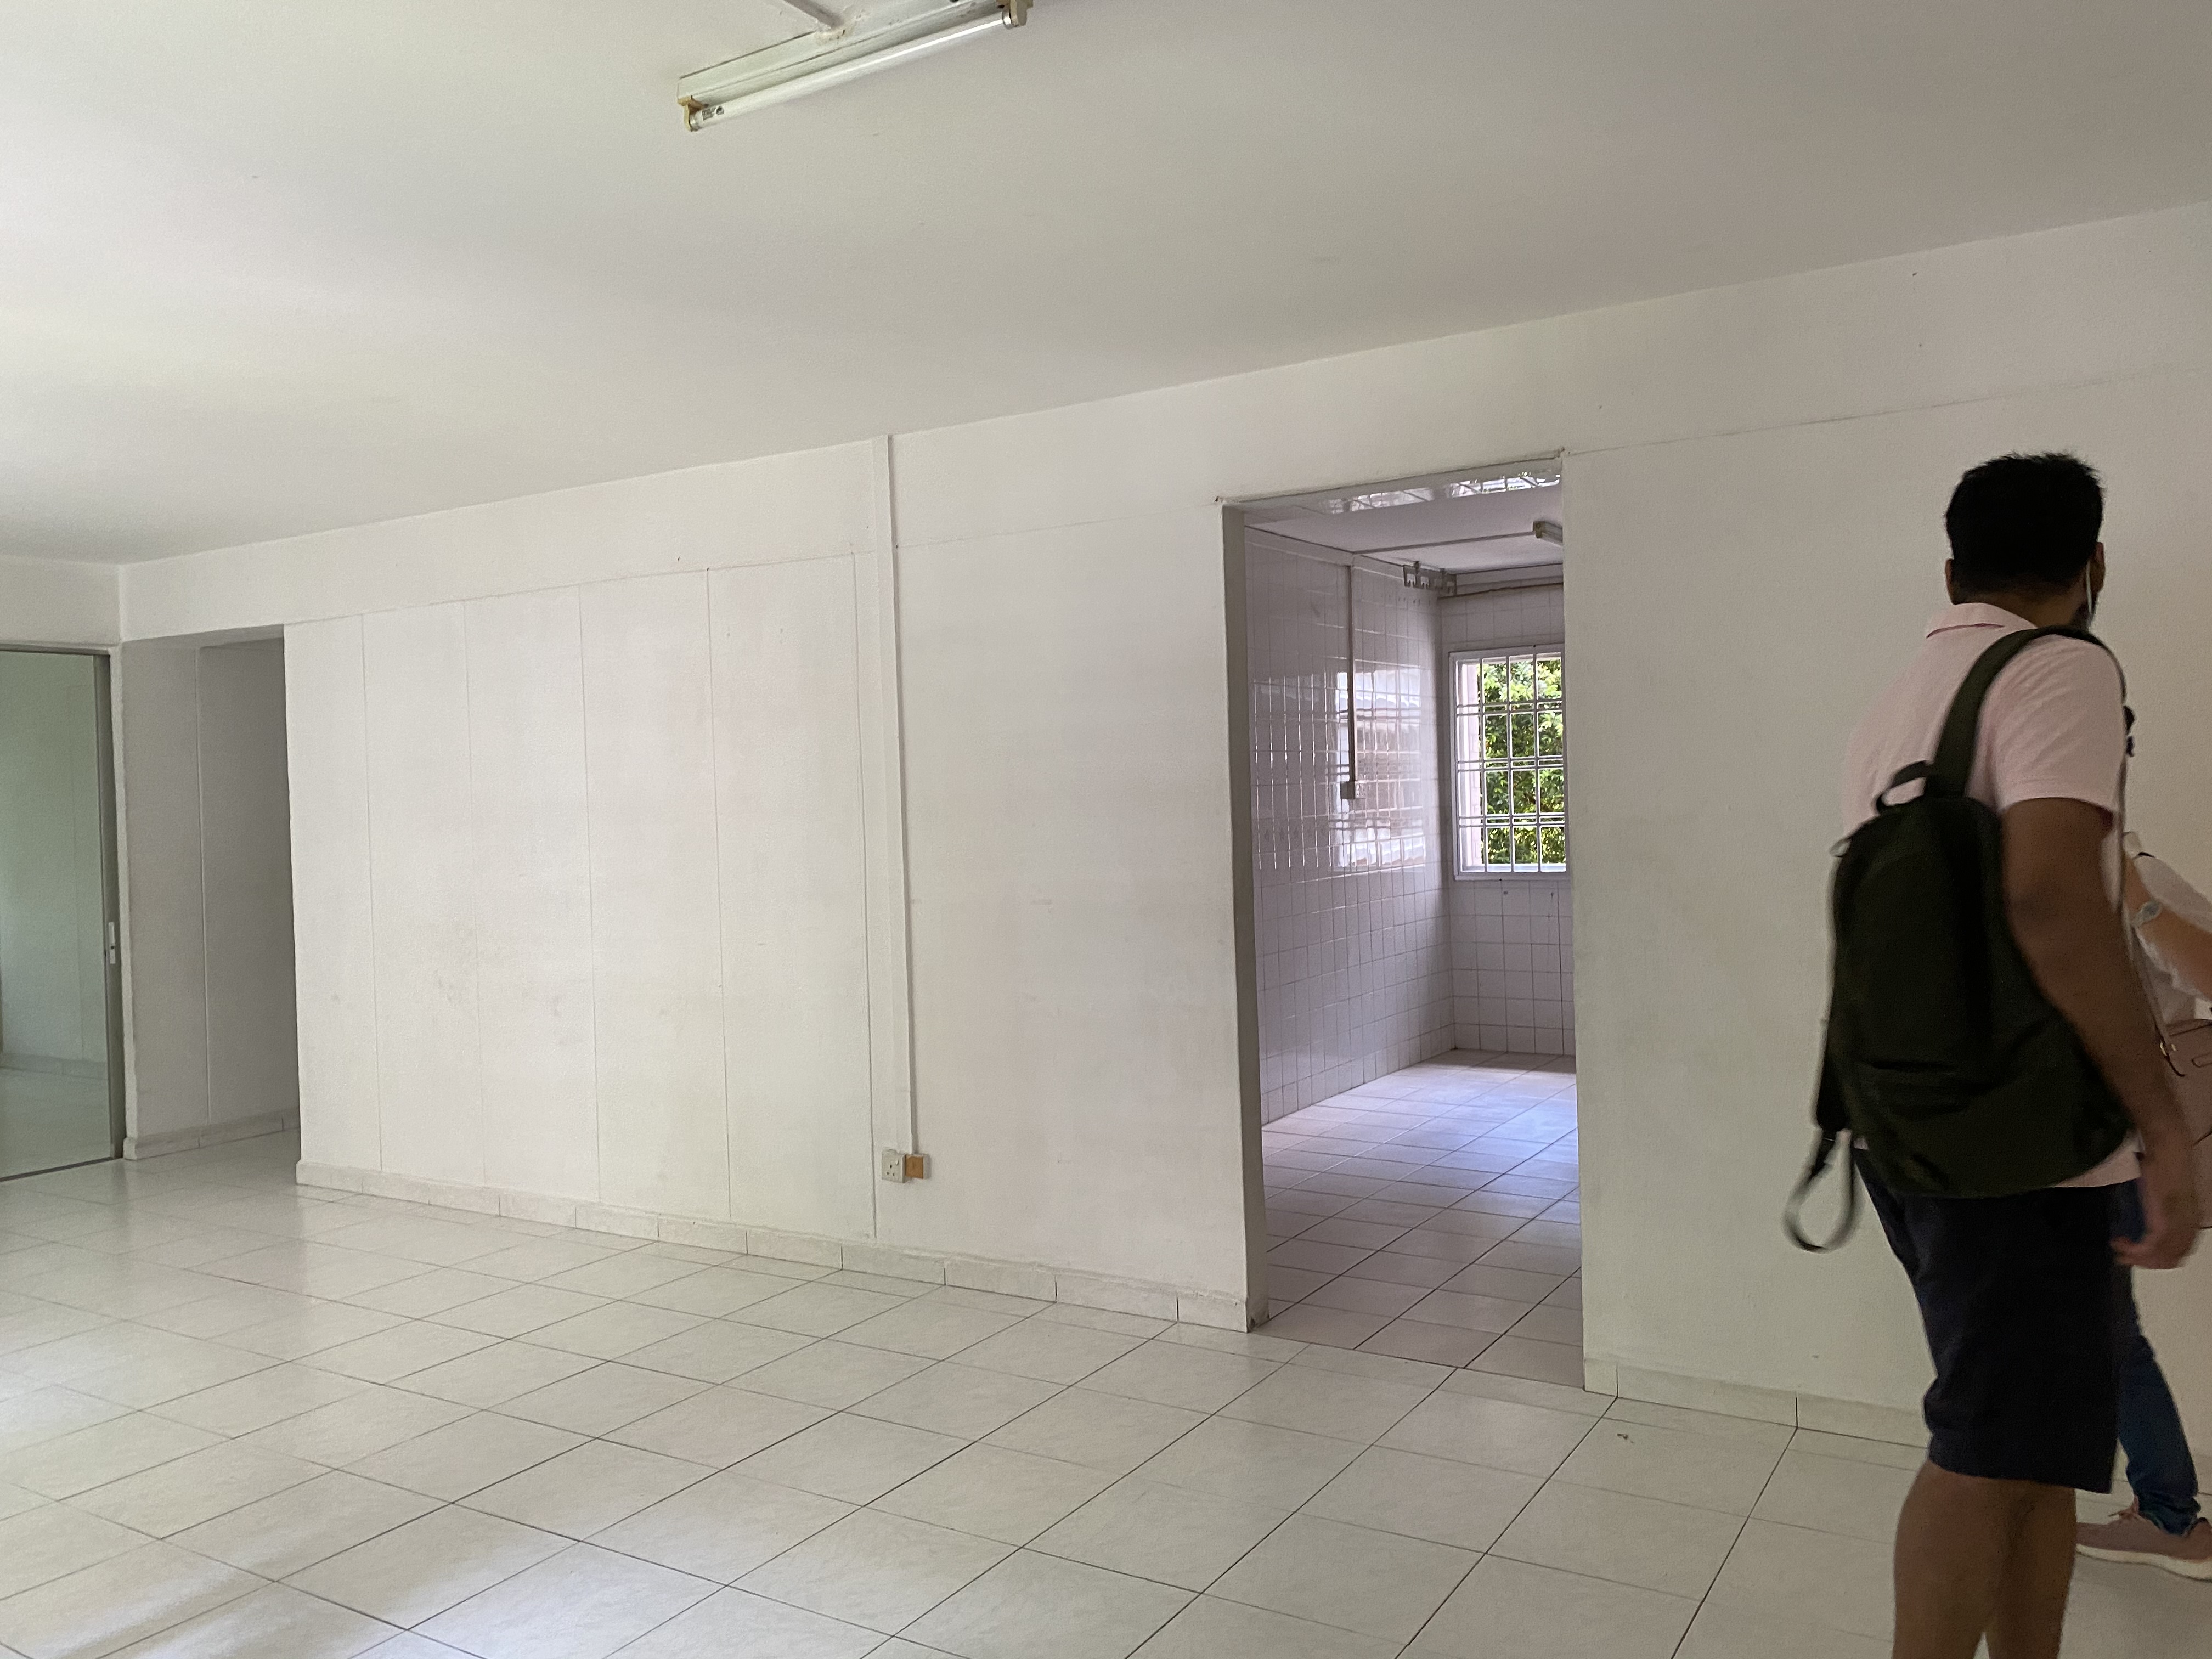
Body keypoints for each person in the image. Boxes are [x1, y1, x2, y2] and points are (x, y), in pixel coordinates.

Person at [1839, 452, 2200, 1659]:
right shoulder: (2062, 670)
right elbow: (2051, 894)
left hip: (1919, 1127)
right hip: (2027, 1152)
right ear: (2094, 567)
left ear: (1952, 571)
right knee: (1989, 1450)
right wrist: (2160, 1121)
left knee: (2040, 1453)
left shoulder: (1912, 690)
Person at [2074, 837, 2212, 1577]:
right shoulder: (2018, 872)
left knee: (2107, 1340)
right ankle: (2167, 1511)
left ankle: (2170, 1515)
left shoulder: (2137, 870)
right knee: (2104, 1338)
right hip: (2058, 1155)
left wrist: (2136, 893)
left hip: (2115, 1156)